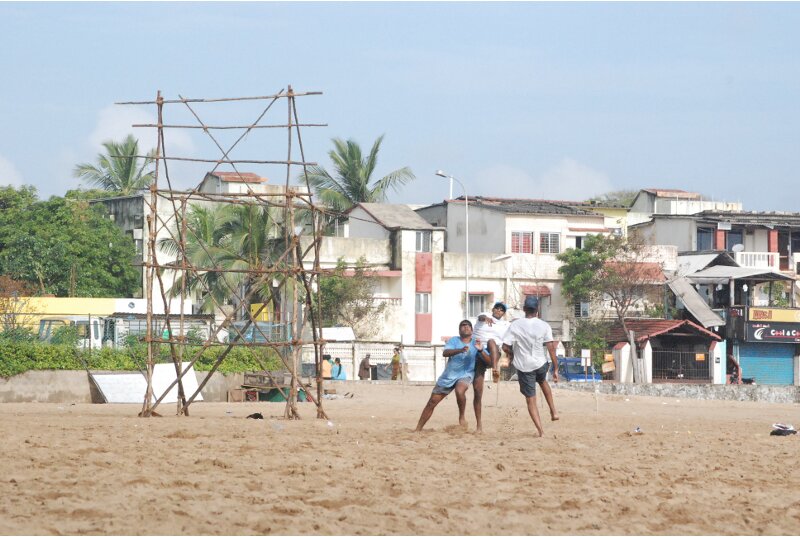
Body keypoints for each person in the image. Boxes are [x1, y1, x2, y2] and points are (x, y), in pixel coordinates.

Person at [415, 320, 488, 432]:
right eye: (463, 326)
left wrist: (481, 350)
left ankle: (462, 416)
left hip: (465, 374)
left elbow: (489, 361)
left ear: (472, 330)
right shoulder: (454, 340)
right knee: (432, 402)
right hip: (448, 376)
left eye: (468, 326)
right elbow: (445, 353)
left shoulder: (476, 343)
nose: (466, 327)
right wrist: (460, 350)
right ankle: (418, 429)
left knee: (460, 391)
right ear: (459, 330)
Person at [502, 296, 560, 437]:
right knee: (542, 381)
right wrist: (556, 368)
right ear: (537, 310)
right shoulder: (544, 325)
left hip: (524, 366)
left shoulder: (515, 325)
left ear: (524, 309)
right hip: (541, 362)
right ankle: (553, 411)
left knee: (530, 399)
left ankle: (540, 431)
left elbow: (505, 346)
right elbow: (551, 347)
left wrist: (512, 354)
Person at [474, 302, 510, 383]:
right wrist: (485, 318)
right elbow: (480, 317)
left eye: (501, 310)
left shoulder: (505, 324)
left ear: (503, 313)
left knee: (491, 341)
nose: (499, 310)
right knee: (478, 377)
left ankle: (494, 370)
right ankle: (494, 368)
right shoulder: (485, 314)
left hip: (494, 351)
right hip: (478, 347)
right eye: (497, 308)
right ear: (493, 309)